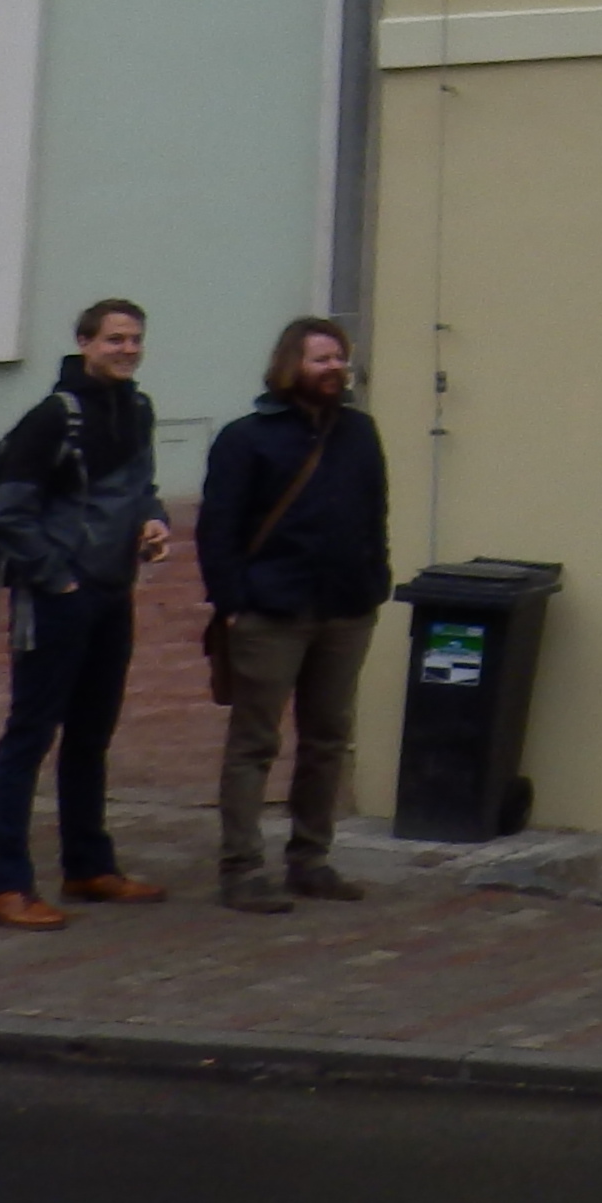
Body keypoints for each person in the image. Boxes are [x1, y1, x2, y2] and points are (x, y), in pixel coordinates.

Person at [0, 296, 174, 930]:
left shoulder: (137, 410)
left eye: (135, 339)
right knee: (29, 736)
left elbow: (142, 488)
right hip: (57, 598)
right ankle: (8, 885)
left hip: (113, 593)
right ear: (85, 343)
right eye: (114, 339)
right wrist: (57, 579)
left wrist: (154, 522)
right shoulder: (51, 419)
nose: (127, 349)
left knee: (92, 735)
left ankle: (89, 866)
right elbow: (9, 515)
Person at [195, 314, 395, 913]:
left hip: (346, 609)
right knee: (255, 742)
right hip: (271, 611)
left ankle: (310, 860)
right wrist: (232, 603)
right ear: (291, 366)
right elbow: (218, 529)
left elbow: (375, 512)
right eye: (320, 359)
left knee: (328, 740)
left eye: (339, 358)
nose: (334, 368)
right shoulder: (246, 438)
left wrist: (375, 581)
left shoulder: (359, 432)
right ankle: (241, 869)